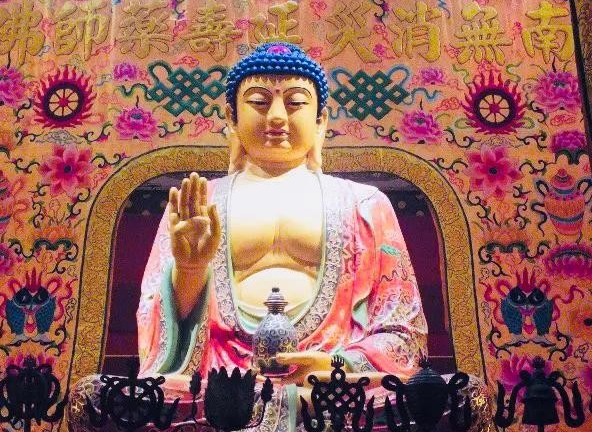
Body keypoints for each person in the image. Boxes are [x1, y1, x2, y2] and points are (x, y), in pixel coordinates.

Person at [137, 42, 428, 401]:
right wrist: (190, 268)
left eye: (295, 103)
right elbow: (155, 325)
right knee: (100, 394)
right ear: (232, 118)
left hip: (331, 387)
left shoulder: (365, 205)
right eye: (260, 102)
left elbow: (403, 329)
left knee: (458, 395)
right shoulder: (198, 204)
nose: (276, 116)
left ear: (321, 120)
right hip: (222, 386)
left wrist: (336, 364)